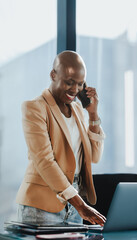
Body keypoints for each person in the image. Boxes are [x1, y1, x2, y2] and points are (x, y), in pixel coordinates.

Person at [16, 50, 106, 226]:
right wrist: (81, 205)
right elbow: (44, 161)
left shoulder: (79, 111)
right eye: (69, 82)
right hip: (41, 207)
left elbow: (94, 157)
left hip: (73, 204)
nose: (75, 90)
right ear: (53, 75)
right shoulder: (35, 108)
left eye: (80, 84)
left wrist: (93, 115)